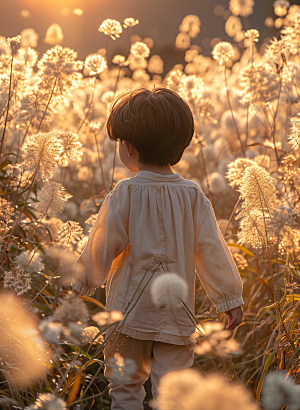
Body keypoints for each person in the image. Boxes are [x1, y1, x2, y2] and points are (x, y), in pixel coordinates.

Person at [71, 87, 243, 410]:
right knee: (174, 396)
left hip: (127, 314)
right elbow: (211, 248)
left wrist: (79, 284)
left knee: (125, 390)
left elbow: (101, 246)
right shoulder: (192, 195)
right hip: (177, 314)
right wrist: (229, 298)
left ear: (130, 148)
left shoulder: (125, 194)